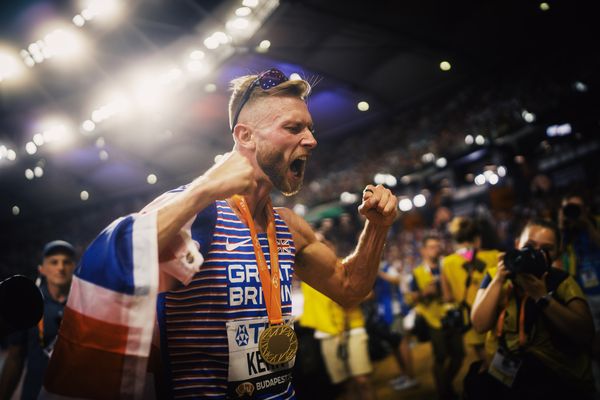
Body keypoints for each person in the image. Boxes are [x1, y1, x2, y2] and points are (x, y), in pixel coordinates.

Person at [41, 68, 398, 399]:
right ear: (245, 136)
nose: (311, 141)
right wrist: (202, 191)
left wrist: (377, 228)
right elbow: (117, 263)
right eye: (293, 128)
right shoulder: (194, 210)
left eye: (310, 129)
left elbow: (351, 289)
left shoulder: (289, 226)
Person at [468, 219, 595, 399]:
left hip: (556, 380)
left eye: (546, 249)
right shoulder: (495, 276)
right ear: (517, 244)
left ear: (557, 252)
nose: (535, 253)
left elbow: (584, 333)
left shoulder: (561, 281)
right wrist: (498, 280)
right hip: (507, 377)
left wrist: (541, 297)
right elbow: (480, 324)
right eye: (529, 246)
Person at [300, 233, 375, 400]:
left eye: (321, 242)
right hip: (327, 334)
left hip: (352, 329)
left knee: (362, 380)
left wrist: (348, 295)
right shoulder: (305, 273)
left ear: (330, 246)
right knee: (345, 386)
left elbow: (369, 293)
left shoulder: (345, 264)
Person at [0, 240, 76, 400]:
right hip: (34, 394)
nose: (61, 267)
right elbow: (15, 356)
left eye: (66, 262)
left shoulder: (86, 305)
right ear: (42, 269)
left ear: (75, 268)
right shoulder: (26, 303)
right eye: (54, 262)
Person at [409, 235, 463, 400]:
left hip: (452, 315)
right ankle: (444, 392)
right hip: (433, 320)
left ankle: (445, 385)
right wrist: (424, 293)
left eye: (437, 246)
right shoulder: (417, 272)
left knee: (459, 355)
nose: (436, 249)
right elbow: (412, 297)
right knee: (440, 356)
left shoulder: (447, 265)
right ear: (423, 250)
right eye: (431, 247)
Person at [557, 193, 600, 392]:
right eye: (569, 208)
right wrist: (562, 225)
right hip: (582, 292)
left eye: (577, 208)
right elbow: (558, 252)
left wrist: (586, 223)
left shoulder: (595, 223)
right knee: (592, 340)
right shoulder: (566, 231)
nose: (573, 212)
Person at [441, 217, 498, 362]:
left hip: (471, 318)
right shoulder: (495, 256)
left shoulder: (447, 263)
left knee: (486, 361)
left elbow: (447, 297)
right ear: (477, 238)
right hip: (497, 313)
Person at [372, 244, 417, 391]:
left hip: (394, 312)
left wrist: (379, 274)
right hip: (385, 313)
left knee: (402, 344)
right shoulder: (376, 270)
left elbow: (398, 280)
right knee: (395, 346)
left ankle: (410, 377)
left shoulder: (386, 267)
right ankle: (404, 374)